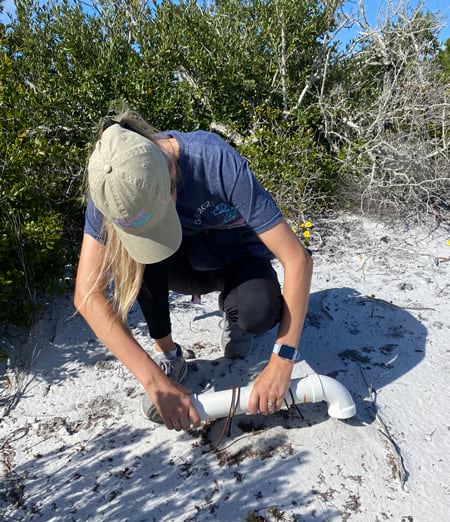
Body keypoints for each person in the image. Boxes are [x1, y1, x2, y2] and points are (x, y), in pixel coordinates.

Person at [74, 110, 313, 433]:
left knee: (258, 313)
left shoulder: (214, 161)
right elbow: (87, 295)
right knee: (135, 257)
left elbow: (298, 259)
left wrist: (282, 360)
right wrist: (154, 380)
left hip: (238, 260)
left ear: (171, 171)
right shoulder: (111, 185)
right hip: (184, 267)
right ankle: (168, 353)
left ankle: (236, 318)